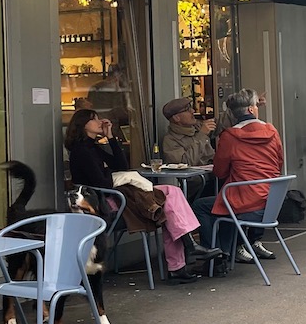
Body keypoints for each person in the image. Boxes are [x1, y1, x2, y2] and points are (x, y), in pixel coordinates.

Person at [65, 109, 220, 282]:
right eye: (94, 119)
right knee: (169, 204)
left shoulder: (92, 146)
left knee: (170, 202)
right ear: (83, 125)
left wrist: (110, 137)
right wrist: (120, 177)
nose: (100, 121)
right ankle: (182, 258)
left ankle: (184, 255)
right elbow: (102, 183)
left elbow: (121, 165)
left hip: (117, 198)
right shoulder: (82, 151)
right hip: (105, 204)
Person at [197, 88, 284, 259]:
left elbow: (219, 172)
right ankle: (235, 249)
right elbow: (279, 163)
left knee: (202, 206)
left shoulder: (229, 136)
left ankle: (215, 255)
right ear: (252, 109)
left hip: (245, 201)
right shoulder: (272, 131)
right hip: (271, 200)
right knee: (225, 202)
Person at [160, 98, 215, 166]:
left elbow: (221, 123)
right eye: (187, 110)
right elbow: (184, 163)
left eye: (191, 108)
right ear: (176, 118)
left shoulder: (197, 126)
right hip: (197, 176)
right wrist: (201, 135)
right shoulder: (170, 140)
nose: (192, 111)